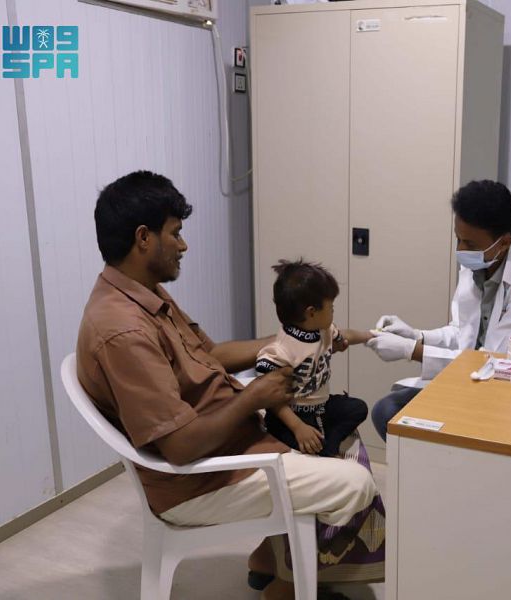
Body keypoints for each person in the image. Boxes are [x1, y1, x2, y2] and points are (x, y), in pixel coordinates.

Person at [76, 171, 382, 600]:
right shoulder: (122, 330)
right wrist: (253, 398)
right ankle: (286, 585)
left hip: (229, 439)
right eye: (175, 233)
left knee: (341, 430)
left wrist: (295, 343)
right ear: (144, 238)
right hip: (199, 480)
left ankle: (270, 559)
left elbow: (211, 355)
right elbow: (179, 447)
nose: (183, 245)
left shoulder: (145, 294)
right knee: (356, 482)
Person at [366, 180, 511, 440]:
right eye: (458, 239)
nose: (461, 250)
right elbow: (462, 333)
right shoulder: (478, 264)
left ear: (504, 243)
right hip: (471, 380)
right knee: (388, 412)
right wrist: (417, 335)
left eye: (469, 244)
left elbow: (492, 363)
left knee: (414, 423)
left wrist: (412, 351)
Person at [256, 260, 371, 457]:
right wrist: (298, 427)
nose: (333, 311)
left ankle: (329, 441)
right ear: (311, 313)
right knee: (305, 441)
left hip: (321, 406)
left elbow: (347, 336)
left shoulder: (323, 331)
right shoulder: (281, 350)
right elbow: (272, 400)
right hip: (292, 415)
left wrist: (371, 336)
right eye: (331, 307)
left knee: (358, 408)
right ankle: (323, 445)